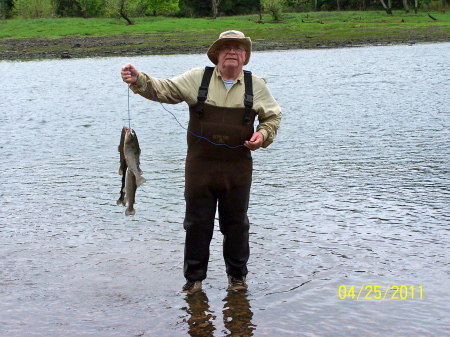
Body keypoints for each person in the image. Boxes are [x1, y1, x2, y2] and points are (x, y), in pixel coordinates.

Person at [121, 30, 282, 294]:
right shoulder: (197, 78)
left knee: (237, 224)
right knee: (197, 224)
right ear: (217, 54)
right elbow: (164, 89)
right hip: (200, 167)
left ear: (245, 56)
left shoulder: (257, 86)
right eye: (226, 47)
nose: (232, 51)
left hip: (237, 169)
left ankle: (237, 279)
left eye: (238, 48)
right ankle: (194, 280)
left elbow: (273, 118)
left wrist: (262, 135)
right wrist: (138, 79)